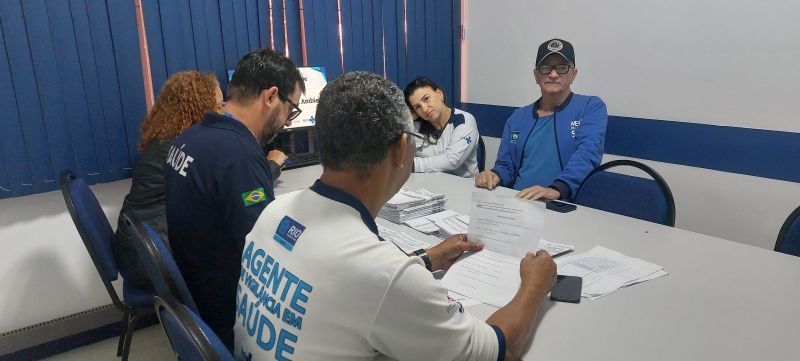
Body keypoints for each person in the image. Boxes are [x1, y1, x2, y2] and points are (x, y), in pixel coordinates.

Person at [233, 71, 557, 361]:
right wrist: (536, 284)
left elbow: (353, 282)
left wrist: (426, 259)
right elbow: (500, 349)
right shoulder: (382, 274)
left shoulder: (273, 211)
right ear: (401, 148)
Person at [164, 48, 305, 349]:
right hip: (229, 308)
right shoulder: (239, 157)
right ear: (271, 96)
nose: (288, 122)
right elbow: (266, 249)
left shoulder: (191, 136)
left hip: (195, 290)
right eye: (291, 109)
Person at [112, 71, 222, 290]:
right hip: (149, 260)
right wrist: (273, 165)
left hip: (136, 246)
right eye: (218, 106)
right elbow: (224, 184)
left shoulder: (165, 138)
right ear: (200, 108)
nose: (222, 113)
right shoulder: (181, 148)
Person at [475, 38, 607, 201]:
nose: (553, 74)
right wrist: (494, 175)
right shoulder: (517, 117)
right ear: (536, 75)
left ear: (573, 74)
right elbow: (506, 167)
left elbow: (587, 155)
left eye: (562, 68)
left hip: (562, 204)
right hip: (517, 202)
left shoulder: (590, 107)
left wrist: (557, 189)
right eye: (545, 68)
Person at [404, 77, 480, 178]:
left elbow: (451, 161)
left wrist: (411, 165)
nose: (424, 108)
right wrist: (406, 120)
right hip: (428, 183)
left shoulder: (464, 121)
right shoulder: (416, 125)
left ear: (439, 94)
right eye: (417, 107)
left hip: (462, 185)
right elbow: (397, 154)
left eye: (426, 99)